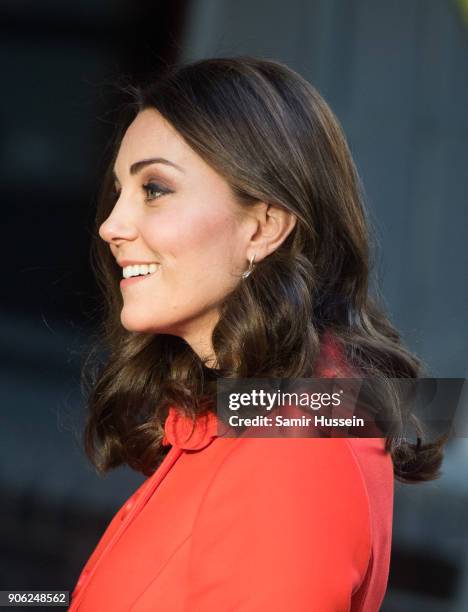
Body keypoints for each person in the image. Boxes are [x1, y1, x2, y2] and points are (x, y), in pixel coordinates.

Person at [69, 56, 447, 611]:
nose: (111, 226)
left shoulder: (294, 448)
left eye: (154, 188)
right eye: (120, 191)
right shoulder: (254, 419)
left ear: (264, 226)